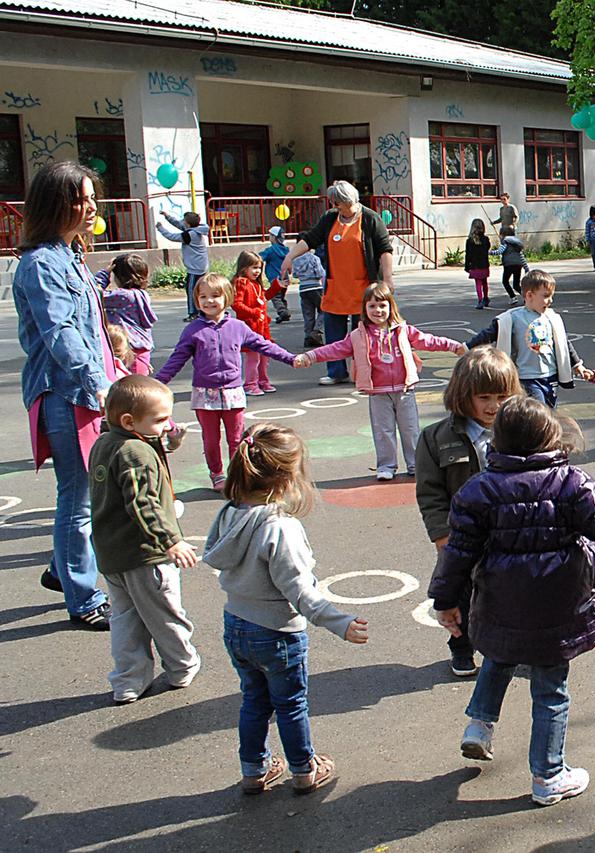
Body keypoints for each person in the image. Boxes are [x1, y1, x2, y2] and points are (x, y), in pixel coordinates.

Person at [428, 397, 595, 806]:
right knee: (550, 689)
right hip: (557, 605)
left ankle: (479, 724)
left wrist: (445, 601)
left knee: (499, 655)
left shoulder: (477, 491)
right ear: (550, 437)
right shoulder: (571, 482)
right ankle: (548, 776)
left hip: (500, 602)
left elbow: (457, 553)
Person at [204, 423, 369, 795]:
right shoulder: (280, 528)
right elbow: (300, 592)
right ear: (285, 480)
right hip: (276, 633)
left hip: (236, 624)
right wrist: (339, 622)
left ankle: (254, 769)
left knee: (254, 701)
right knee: (291, 704)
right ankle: (303, 769)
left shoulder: (229, 515)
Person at [13, 160, 118, 626]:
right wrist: (100, 383)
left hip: (89, 390)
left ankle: (62, 568)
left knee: (91, 494)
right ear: (57, 203)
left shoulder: (70, 256)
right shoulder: (41, 264)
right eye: (83, 197)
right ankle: (83, 598)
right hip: (66, 394)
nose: (92, 206)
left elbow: (92, 330)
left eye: (93, 196)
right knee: (77, 499)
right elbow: (61, 334)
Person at [89, 375, 200, 704]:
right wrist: (170, 540)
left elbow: (138, 456)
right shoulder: (135, 452)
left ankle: (128, 680)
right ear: (128, 420)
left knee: (125, 620)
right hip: (146, 555)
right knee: (165, 613)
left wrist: (170, 440)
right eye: (161, 420)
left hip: (112, 554)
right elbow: (144, 502)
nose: (167, 426)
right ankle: (182, 665)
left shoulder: (106, 442)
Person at [415, 347, 523, 677]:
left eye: (503, 397)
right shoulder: (436, 438)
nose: (494, 406)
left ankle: (515, 647)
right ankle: (461, 647)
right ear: (464, 395)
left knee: (513, 595)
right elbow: (430, 494)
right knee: (460, 595)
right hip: (460, 539)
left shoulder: (520, 430)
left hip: (509, 535)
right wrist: (442, 535)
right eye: (484, 397)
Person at [295, 282, 465, 481]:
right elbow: (335, 349)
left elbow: (428, 340)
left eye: (382, 305)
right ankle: (386, 465)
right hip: (378, 391)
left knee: (410, 430)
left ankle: (416, 464)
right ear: (365, 309)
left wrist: (453, 346)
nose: (378, 310)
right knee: (382, 431)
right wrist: (311, 356)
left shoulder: (403, 330)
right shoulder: (358, 335)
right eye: (372, 306)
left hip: (404, 389)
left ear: (391, 307)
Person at [155, 274, 297, 490]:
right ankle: (217, 474)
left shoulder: (238, 327)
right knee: (211, 440)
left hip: (233, 393)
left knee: (236, 439)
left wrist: (291, 359)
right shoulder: (193, 330)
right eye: (203, 296)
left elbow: (264, 345)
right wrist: (157, 383)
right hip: (205, 394)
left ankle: (237, 474)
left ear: (227, 298)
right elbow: (177, 359)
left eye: (215, 296)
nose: (209, 301)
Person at [279, 181, 394, 387]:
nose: (336, 206)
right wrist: (290, 256)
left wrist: (387, 279)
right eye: (335, 202)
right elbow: (310, 239)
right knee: (333, 333)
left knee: (365, 333)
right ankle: (336, 371)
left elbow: (385, 249)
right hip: (336, 286)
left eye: (338, 202)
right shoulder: (330, 218)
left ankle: (366, 371)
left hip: (364, 288)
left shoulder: (370, 219)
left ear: (349, 200)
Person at [467, 270, 583, 408]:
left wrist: (577, 364)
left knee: (549, 413)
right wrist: (467, 347)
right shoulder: (514, 317)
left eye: (551, 296)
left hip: (550, 376)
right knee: (539, 413)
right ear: (529, 295)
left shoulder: (551, 317)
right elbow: (489, 334)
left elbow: (564, 343)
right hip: (526, 378)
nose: (550, 300)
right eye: (546, 296)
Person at [231, 250, 287, 396]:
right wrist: (254, 313)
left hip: (262, 328)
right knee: (253, 357)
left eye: (259, 268)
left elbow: (263, 297)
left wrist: (276, 286)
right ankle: (250, 384)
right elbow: (236, 304)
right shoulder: (241, 283)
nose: (257, 271)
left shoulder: (255, 284)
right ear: (244, 268)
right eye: (254, 267)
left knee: (264, 356)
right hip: (250, 327)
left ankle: (262, 380)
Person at [101, 254, 157, 376]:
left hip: (129, 351)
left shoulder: (122, 296)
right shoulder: (141, 294)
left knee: (131, 391)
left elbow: (93, 294)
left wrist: (104, 274)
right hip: (140, 352)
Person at [155, 210, 210, 322]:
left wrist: (160, 228)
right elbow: (179, 225)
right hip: (201, 266)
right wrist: (167, 216)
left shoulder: (189, 235)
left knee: (191, 291)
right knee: (201, 291)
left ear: (187, 223)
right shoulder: (198, 229)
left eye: (183, 220)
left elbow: (171, 236)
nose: (182, 222)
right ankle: (202, 311)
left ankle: (193, 313)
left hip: (195, 269)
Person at [292, 247, 326, 348]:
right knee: (324, 309)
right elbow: (320, 273)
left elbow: (294, 275)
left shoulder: (296, 259)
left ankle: (308, 337)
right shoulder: (314, 258)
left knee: (308, 314)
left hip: (303, 288)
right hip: (315, 287)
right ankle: (316, 331)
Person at [261, 225, 291, 323]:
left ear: (274, 237)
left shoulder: (271, 250)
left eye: (270, 235)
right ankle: (284, 313)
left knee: (275, 297)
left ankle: (283, 312)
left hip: (275, 277)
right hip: (285, 276)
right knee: (281, 296)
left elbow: (260, 257)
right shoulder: (286, 250)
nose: (269, 237)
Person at [492, 233, 530, 306]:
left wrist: (488, 252)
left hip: (509, 265)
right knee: (516, 284)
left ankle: (513, 297)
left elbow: (499, 251)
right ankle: (527, 297)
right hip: (518, 265)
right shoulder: (516, 244)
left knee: (505, 281)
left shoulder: (505, 243)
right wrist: (526, 267)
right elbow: (521, 256)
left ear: (502, 234)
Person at [464, 218, 491, 310]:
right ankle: (486, 298)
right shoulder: (486, 239)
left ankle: (480, 300)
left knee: (478, 283)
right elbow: (487, 248)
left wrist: (467, 266)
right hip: (484, 264)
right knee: (484, 282)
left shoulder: (469, 241)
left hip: (475, 265)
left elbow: (468, 255)